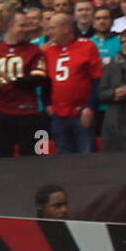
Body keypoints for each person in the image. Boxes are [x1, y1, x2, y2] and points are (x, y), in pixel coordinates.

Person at [0, 14, 48, 157]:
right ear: (10, 27)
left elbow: (38, 79)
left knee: (35, 157)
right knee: (1, 159)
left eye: (27, 26)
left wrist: (12, 80)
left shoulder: (35, 51)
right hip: (2, 113)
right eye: (22, 26)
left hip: (28, 113)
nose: (25, 30)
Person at [43, 14, 103, 153]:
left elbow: (97, 79)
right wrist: (47, 104)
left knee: (87, 158)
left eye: (53, 28)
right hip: (58, 115)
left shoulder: (87, 46)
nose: (49, 32)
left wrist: (90, 107)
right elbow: (45, 81)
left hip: (81, 112)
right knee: (64, 160)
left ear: (66, 28)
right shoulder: (49, 51)